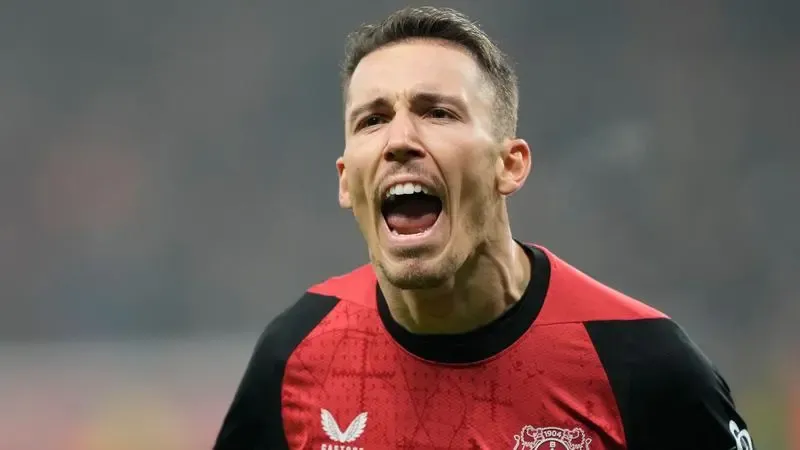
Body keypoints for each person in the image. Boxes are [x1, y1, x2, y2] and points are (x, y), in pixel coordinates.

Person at [214, 6, 755, 450]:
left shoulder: (644, 365)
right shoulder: (296, 355)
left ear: (509, 165)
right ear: (345, 181)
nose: (399, 140)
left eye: (437, 112)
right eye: (372, 120)